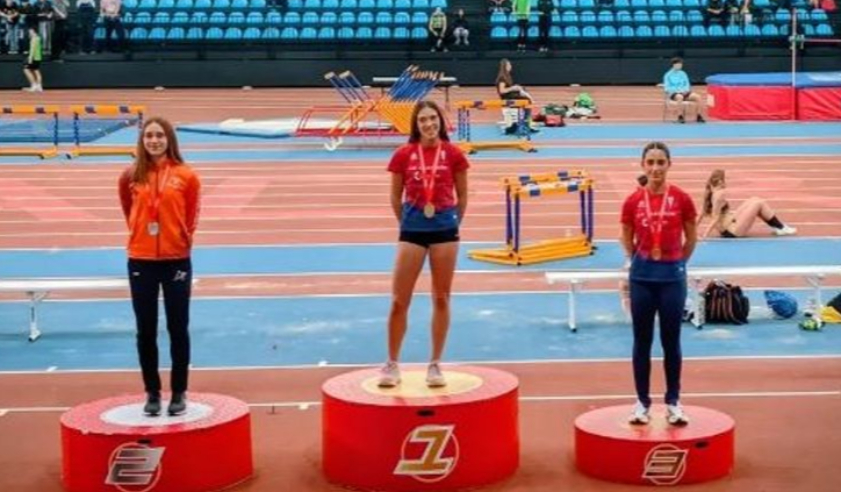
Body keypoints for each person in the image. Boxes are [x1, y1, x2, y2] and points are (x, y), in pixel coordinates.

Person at [379, 100, 469, 388]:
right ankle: (392, 363)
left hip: (445, 231)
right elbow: (395, 196)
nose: (429, 124)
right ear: (415, 125)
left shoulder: (454, 154)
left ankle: (435, 364)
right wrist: (405, 222)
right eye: (423, 120)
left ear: (440, 121)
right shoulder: (403, 154)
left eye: (433, 118)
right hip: (413, 231)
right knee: (398, 301)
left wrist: (452, 223)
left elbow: (462, 196)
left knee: (441, 298)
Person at [118, 117, 201, 416]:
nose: (154, 140)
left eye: (159, 135)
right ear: (142, 141)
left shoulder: (186, 176)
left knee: (178, 327)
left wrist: (178, 240)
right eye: (149, 136)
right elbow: (128, 210)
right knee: (145, 330)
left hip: (176, 260)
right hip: (141, 260)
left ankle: (179, 391)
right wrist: (141, 235)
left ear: (169, 140)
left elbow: (191, 215)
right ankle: (152, 392)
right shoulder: (130, 175)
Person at [620, 142, 698, 426]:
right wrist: (638, 260)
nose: (655, 168)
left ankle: (673, 402)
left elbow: (691, 237)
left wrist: (678, 263)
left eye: (660, 162)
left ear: (669, 165)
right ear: (643, 165)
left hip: (672, 280)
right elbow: (626, 236)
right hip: (642, 279)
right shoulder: (632, 201)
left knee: (671, 341)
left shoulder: (682, 199)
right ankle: (641, 402)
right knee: (642, 341)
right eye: (650, 162)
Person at [698, 169, 797, 238]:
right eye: (724, 179)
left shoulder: (708, 192)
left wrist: (693, 232)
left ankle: (779, 228)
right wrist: (705, 235)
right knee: (759, 203)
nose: (725, 183)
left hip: (730, 222)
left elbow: (700, 215)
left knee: (754, 199)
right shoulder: (719, 195)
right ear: (720, 181)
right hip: (732, 230)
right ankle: (781, 227)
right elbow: (715, 218)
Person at [496, 58, 537, 135]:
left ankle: (521, 125)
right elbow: (502, 91)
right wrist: (513, 88)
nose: (510, 66)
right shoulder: (502, 78)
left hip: (510, 96)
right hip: (507, 99)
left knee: (524, 94)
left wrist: (517, 88)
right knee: (526, 101)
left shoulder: (507, 76)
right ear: (505, 66)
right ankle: (523, 125)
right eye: (509, 65)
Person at [663, 57, 706, 124]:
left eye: (681, 65)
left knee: (698, 97)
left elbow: (687, 84)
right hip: (674, 93)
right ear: (673, 65)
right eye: (678, 65)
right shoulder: (667, 75)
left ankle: (699, 116)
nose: (680, 66)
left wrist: (686, 90)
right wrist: (677, 91)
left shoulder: (683, 73)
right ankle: (680, 117)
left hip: (685, 92)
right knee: (680, 97)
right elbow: (667, 88)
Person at [22, 23, 43, 92]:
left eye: (30, 31)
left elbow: (32, 49)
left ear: (34, 31)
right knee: (36, 70)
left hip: (33, 57)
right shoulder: (39, 38)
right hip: (38, 57)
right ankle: (39, 86)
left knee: (26, 70)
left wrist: (30, 58)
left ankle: (33, 85)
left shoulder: (34, 39)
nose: (29, 33)